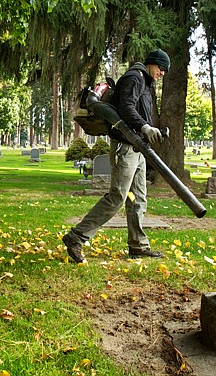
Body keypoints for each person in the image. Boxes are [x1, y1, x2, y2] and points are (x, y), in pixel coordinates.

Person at [62, 48, 171, 263]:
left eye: (165, 70)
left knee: (137, 199)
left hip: (138, 149)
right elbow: (126, 108)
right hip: (125, 148)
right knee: (118, 197)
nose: (162, 73)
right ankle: (76, 237)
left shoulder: (145, 82)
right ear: (151, 63)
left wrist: (146, 131)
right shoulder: (134, 78)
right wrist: (145, 127)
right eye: (161, 68)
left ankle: (138, 245)